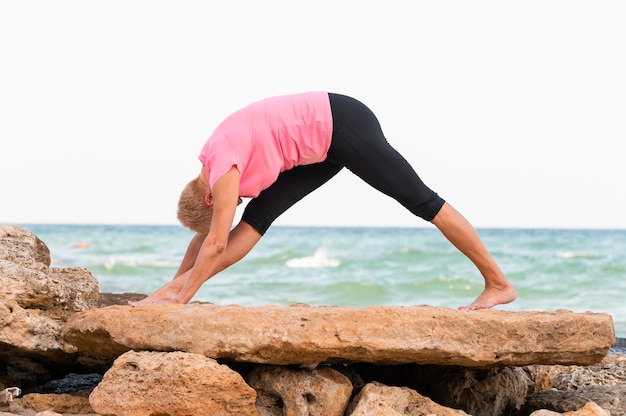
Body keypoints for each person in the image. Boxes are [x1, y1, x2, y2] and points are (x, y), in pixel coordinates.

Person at [129, 92, 517, 310]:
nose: (236, 203)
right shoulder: (209, 168)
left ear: (211, 198)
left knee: (422, 201)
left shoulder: (224, 171)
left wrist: (183, 300)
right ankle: (171, 290)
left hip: (342, 123)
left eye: (224, 209)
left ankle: (498, 283)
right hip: (316, 149)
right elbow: (207, 237)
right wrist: (167, 288)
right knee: (258, 217)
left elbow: (215, 242)